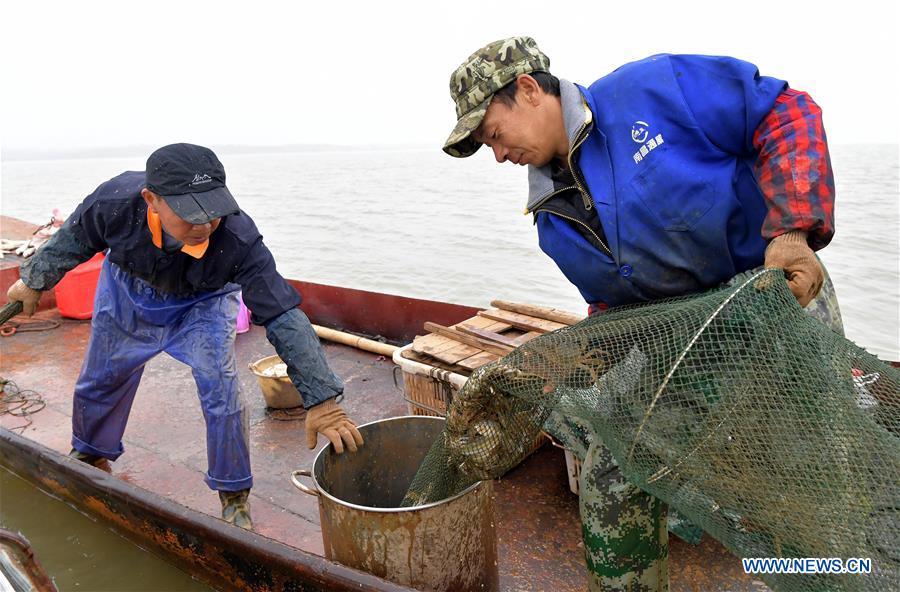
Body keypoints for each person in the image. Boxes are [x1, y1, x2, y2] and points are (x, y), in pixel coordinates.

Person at [443, 37, 842, 591]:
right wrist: (548, 372)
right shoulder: (553, 224)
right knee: (614, 470)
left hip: (777, 301)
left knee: (803, 483)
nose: (499, 155)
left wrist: (793, 233)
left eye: (493, 134)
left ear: (529, 91)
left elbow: (784, 112)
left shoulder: (653, 90)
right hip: (685, 344)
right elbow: (617, 312)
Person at [6, 143, 364, 530]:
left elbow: (281, 313)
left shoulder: (239, 237)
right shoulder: (114, 202)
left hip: (204, 305)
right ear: (151, 199)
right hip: (128, 292)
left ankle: (234, 494)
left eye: (213, 211)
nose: (205, 225)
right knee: (101, 378)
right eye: (191, 215)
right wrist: (34, 280)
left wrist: (322, 397)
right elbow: (75, 237)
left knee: (220, 389)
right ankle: (90, 452)